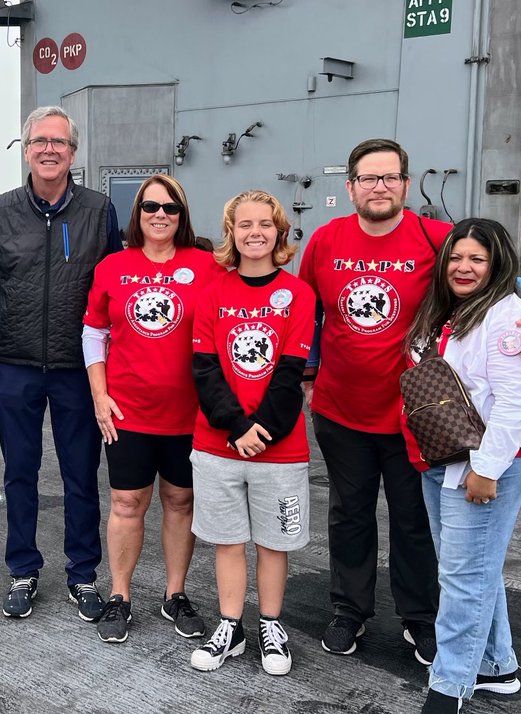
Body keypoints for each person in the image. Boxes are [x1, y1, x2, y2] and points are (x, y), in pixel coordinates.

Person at [297, 138, 521, 664]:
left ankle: (420, 619)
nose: (380, 187)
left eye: (390, 177)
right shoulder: (324, 241)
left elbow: (497, 270)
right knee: (349, 516)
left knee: (415, 520)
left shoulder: (433, 237)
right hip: (340, 409)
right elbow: (310, 311)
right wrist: (308, 370)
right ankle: (350, 611)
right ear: (350, 188)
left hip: (418, 416)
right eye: (369, 178)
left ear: (406, 185)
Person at [0, 105, 123, 621]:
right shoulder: (0, 210)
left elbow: (115, 289)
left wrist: (110, 368)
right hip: (15, 363)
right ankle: (23, 569)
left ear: (73, 152)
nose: (48, 150)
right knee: (20, 472)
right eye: (39, 141)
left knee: (81, 475)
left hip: (77, 368)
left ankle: (82, 575)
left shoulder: (98, 210)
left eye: (58, 142)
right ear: (26, 148)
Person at [404, 219, 521, 713]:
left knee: (463, 580)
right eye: (456, 257)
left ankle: (448, 689)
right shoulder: (454, 311)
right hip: (448, 459)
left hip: (491, 466)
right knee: (474, 571)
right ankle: (496, 666)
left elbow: (514, 403)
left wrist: (485, 470)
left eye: (477, 259)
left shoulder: (508, 318)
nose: (464, 267)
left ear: (497, 264)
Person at [81, 174, 219, 643]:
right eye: (150, 206)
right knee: (126, 503)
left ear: (182, 216)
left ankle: (174, 595)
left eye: (171, 207)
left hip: (189, 414)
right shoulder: (112, 267)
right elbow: (93, 333)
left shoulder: (208, 266)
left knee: (180, 502)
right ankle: (120, 597)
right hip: (128, 412)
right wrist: (100, 395)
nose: (160, 214)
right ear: (137, 213)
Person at [188, 191, 315, 676]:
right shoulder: (213, 293)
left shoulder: (298, 294)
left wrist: (261, 430)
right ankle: (230, 625)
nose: (254, 232)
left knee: (273, 543)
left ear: (279, 233)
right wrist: (237, 427)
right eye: (245, 224)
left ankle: (271, 624)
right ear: (232, 232)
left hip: (279, 449)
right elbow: (205, 369)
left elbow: (290, 373)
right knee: (227, 541)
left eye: (265, 224)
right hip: (219, 444)